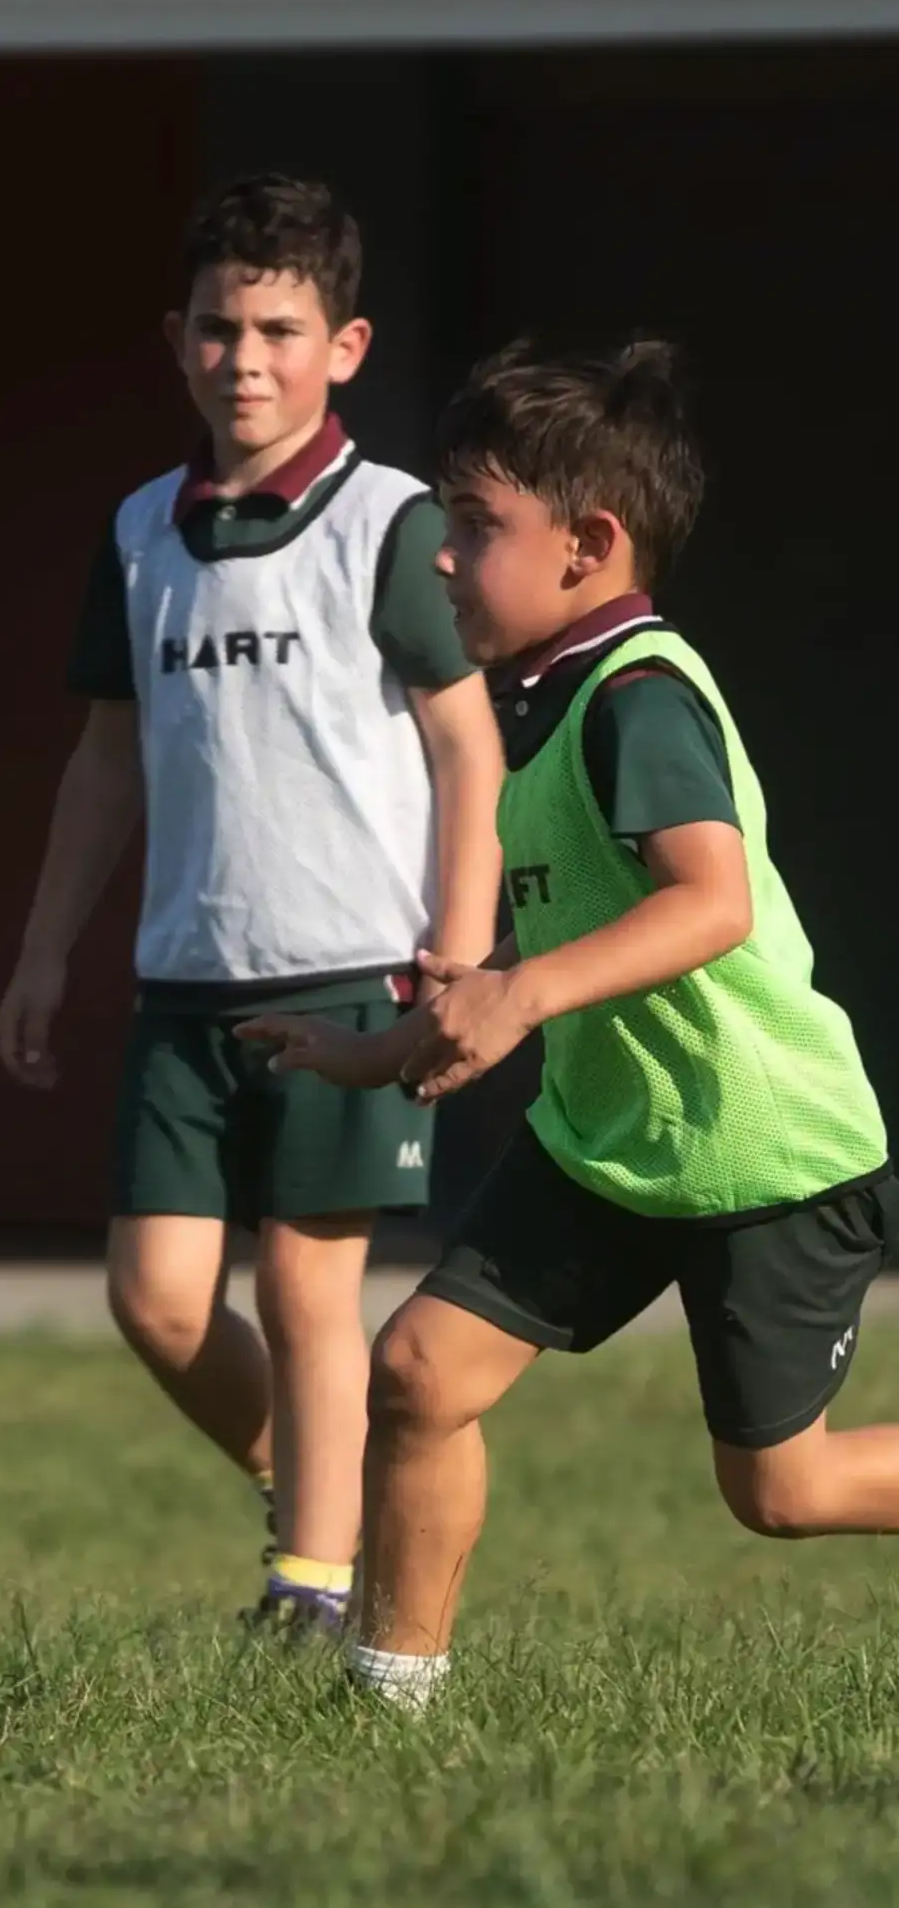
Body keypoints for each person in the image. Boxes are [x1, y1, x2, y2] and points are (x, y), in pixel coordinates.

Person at [244, 340, 898, 1710]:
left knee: (783, 1490)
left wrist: (525, 991)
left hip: (759, 1148)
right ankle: (389, 1697)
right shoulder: (534, 705)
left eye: (475, 526)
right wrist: (370, 1048)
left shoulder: (638, 696)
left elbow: (709, 904)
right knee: (418, 1373)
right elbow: (508, 972)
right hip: (606, 1142)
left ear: (589, 545)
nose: (440, 556)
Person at [0, 174, 503, 1632]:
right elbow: (104, 760)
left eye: (281, 328)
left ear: (344, 345)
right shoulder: (142, 528)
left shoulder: (390, 522)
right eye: (221, 329)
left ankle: (312, 1584)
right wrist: (45, 946)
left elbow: (464, 742)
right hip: (184, 978)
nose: (248, 359)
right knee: (155, 1297)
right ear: (178, 339)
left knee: (306, 1289)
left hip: (354, 976)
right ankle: (324, 1485)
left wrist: (456, 951)